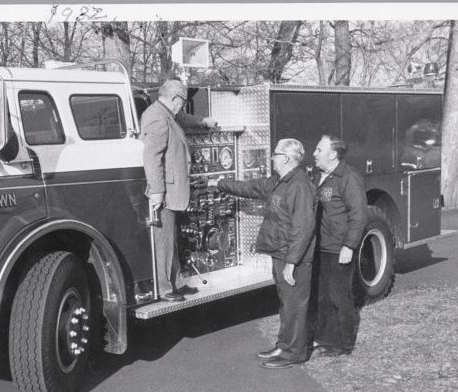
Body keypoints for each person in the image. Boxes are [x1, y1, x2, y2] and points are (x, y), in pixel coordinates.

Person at [215, 139, 317, 369]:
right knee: (285, 303)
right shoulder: (279, 181)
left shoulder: (300, 185)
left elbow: (304, 228)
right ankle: (284, 345)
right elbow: (251, 188)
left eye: (276, 154)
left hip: (293, 256)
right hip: (280, 252)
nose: (272, 157)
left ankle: (294, 353)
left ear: (288, 158)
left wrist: (292, 262)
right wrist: (222, 184)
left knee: (295, 306)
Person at [141, 79, 218, 301]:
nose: (182, 107)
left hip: (170, 189)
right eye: (182, 102)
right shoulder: (157, 116)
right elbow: (151, 156)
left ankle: (176, 283)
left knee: (170, 237)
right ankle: (165, 290)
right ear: (176, 98)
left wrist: (203, 122)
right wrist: (157, 191)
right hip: (164, 190)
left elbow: (182, 119)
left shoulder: (166, 113)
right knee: (163, 240)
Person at [311, 135, 368, 357]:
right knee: (323, 295)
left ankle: (343, 344)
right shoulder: (321, 176)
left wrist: (349, 246)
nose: (314, 153)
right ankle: (325, 338)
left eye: (319, 149)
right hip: (323, 246)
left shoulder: (348, 178)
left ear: (333, 154)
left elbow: (359, 215)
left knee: (339, 296)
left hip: (339, 247)